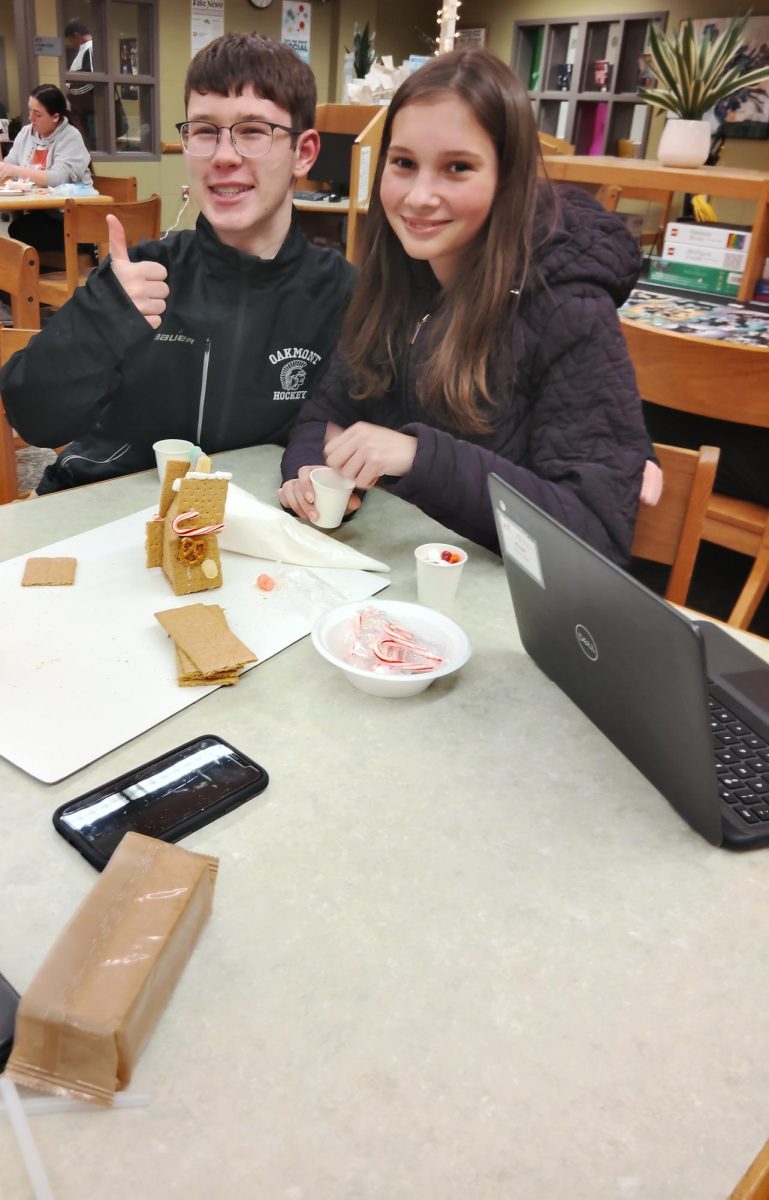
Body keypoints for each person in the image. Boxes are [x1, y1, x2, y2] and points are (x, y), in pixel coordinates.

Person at [279, 48, 654, 564]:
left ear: (508, 179)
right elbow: (323, 416)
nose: (419, 196)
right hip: (394, 585)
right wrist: (307, 473)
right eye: (404, 164)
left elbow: (596, 537)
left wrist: (418, 456)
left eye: (458, 167)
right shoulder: (393, 284)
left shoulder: (570, 309)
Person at [0, 33, 357, 494]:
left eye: (253, 131)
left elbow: (350, 433)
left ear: (303, 153)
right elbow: (34, 416)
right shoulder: (142, 272)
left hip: (254, 536)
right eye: (205, 131)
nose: (225, 156)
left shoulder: (341, 294)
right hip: (115, 513)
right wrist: (103, 319)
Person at [0, 85, 92, 253]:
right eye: (29, 111)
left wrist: (14, 170)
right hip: (45, 213)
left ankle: (42, 273)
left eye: (38, 114)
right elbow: (8, 165)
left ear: (55, 117)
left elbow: (57, 178)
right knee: (19, 230)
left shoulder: (70, 136)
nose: (31, 119)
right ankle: (36, 274)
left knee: (21, 232)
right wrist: (7, 170)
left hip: (73, 220)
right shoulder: (27, 133)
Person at [64, 18, 95, 148]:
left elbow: (91, 82)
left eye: (71, 40)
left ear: (77, 36)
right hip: (84, 111)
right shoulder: (83, 51)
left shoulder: (90, 49)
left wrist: (70, 91)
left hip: (90, 112)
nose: (71, 45)